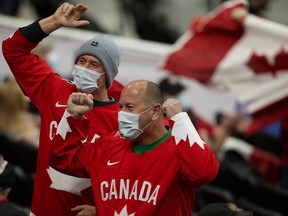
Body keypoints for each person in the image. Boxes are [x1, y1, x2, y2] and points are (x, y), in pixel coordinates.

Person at [2, 2, 123, 216]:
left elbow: (135, 175)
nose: (84, 68)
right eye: (81, 61)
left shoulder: (123, 118)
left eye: (94, 64)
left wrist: (105, 209)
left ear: (108, 74)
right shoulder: (55, 90)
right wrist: (54, 23)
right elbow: (12, 49)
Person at [49, 80, 220, 215]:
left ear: (155, 111)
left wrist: (180, 119)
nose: (122, 114)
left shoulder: (179, 149)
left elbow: (202, 174)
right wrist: (73, 117)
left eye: (130, 107)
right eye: (120, 107)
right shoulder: (108, 145)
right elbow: (63, 158)